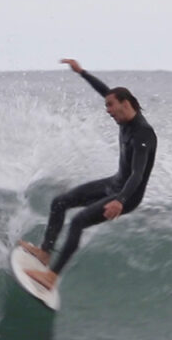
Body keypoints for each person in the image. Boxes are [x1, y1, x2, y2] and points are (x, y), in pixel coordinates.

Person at [19, 58, 157, 290]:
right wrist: (81, 72)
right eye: (107, 106)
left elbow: (137, 174)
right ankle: (44, 253)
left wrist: (120, 201)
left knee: (78, 221)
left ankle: (51, 277)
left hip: (127, 195)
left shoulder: (143, 133)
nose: (108, 111)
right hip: (114, 183)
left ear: (125, 103)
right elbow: (105, 90)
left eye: (111, 106)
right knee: (60, 202)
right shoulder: (124, 116)